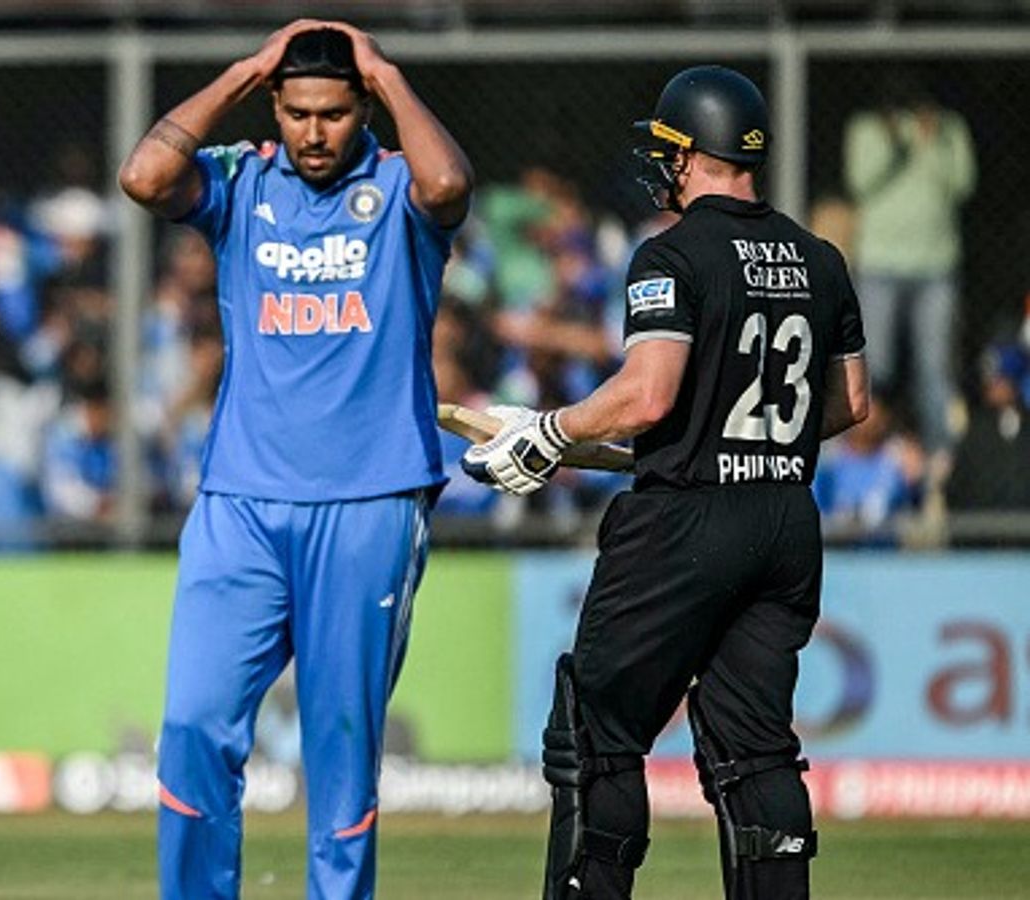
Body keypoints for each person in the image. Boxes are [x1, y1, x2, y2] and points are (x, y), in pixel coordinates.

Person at [462, 66, 869, 900]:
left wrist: (549, 432)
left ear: (691, 152)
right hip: (786, 521)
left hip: (686, 524)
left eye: (667, 149)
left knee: (596, 734)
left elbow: (647, 393)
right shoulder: (820, 259)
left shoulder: (670, 253)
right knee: (755, 749)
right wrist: (721, 435)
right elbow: (849, 404)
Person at [119, 20, 471, 899]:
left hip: (370, 498)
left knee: (341, 755)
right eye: (300, 112)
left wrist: (385, 71)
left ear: (364, 112)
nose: (316, 133)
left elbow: (449, 182)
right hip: (239, 499)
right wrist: (241, 70)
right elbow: (144, 175)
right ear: (275, 106)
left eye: (336, 113)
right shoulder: (240, 181)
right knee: (196, 728)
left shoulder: (396, 189)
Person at [843, 73, 974, 466]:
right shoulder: (867, 128)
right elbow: (860, 183)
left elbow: (961, 185)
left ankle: (939, 461)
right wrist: (895, 143)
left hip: (935, 265)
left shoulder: (949, 129)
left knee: (933, 370)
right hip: (881, 263)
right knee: (875, 367)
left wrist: (931, 142)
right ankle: (864, 454)